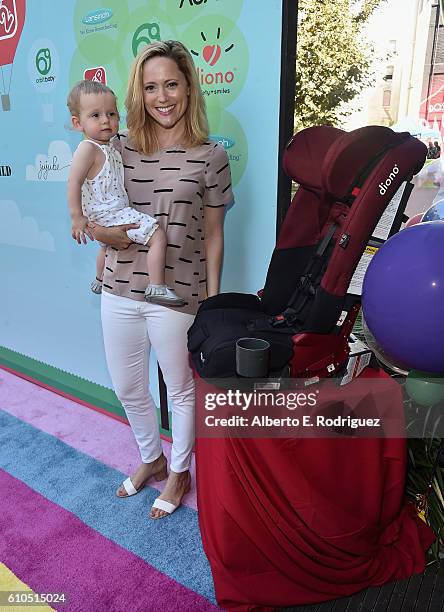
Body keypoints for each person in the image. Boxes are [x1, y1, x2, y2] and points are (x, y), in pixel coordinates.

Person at [88, 40, 233, 518]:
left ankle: (180, 470)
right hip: (118, 286)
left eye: (171, 84)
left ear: (189, 88)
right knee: (128, 386)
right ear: (139, 93)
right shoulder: (118, 147)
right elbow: (94, 207)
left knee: (180, 388)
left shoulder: (211, 155)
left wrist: (212, 302)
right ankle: (151, 458)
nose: (162, 96)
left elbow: (213, 235)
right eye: (151, 87)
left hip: (178, 295)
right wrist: (103, 232)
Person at [66, 79, 185, 306]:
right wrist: (76, 217)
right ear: (77, 123)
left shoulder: (110, 146)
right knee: (157, 235)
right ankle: (157, 286)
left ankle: (100, 279)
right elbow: (73, 182)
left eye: (111, 114)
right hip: (111, 212)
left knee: (104, 248)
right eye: (95, 115)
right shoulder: (87, 148)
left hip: (107, 213)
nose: (105, 121)